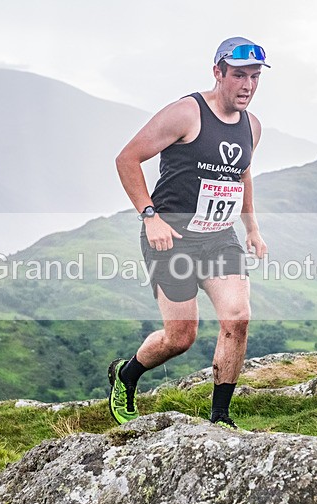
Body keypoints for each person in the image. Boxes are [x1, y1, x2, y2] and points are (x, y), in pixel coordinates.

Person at [109, 37, 270, 430]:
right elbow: (127, 158)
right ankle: (127, 375)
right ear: (218, 73)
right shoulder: (187, 113)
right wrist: (150, 216)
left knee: (238, 317)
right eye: (238, 75)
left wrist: (252, 227)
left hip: (218, 235)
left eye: (254, 76)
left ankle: (220, 418)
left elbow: (241, 173)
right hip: (172, 236)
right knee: (180, 337)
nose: (247, 85)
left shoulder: (252, 126)